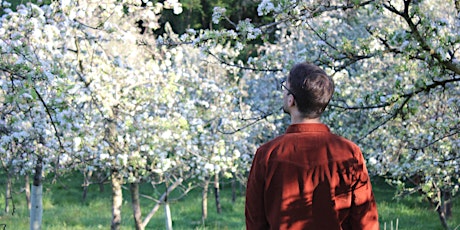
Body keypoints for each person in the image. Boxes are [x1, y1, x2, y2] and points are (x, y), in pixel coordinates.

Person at [245, 62, 379, 230]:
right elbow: (365, 222)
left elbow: (255, 222)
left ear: (291, 99)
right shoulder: (349, 153)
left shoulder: (267, 154)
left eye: (284, 88)